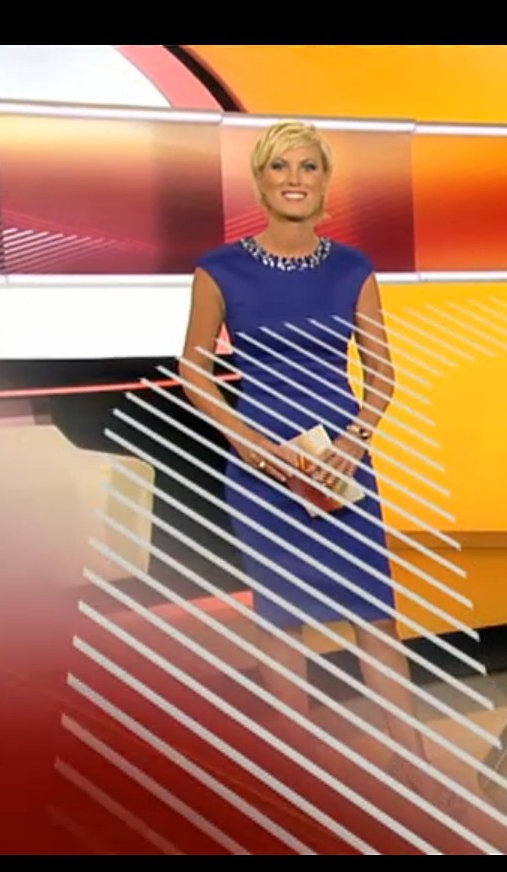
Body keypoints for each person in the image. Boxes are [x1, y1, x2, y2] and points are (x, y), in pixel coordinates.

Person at [178, 120, 428, 793]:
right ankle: (297, 776)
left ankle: (411, 761)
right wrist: (250, 444)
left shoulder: (353, 269)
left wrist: (352, 443)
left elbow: (383, 376)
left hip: (341, 464)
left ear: (324, 182)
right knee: (282, 617)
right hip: (264, 468)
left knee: (374, 611)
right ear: (260, 181)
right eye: (280, 167)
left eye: (308, 167)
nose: (295, 179)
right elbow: (194, 370)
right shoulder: (218, 270)